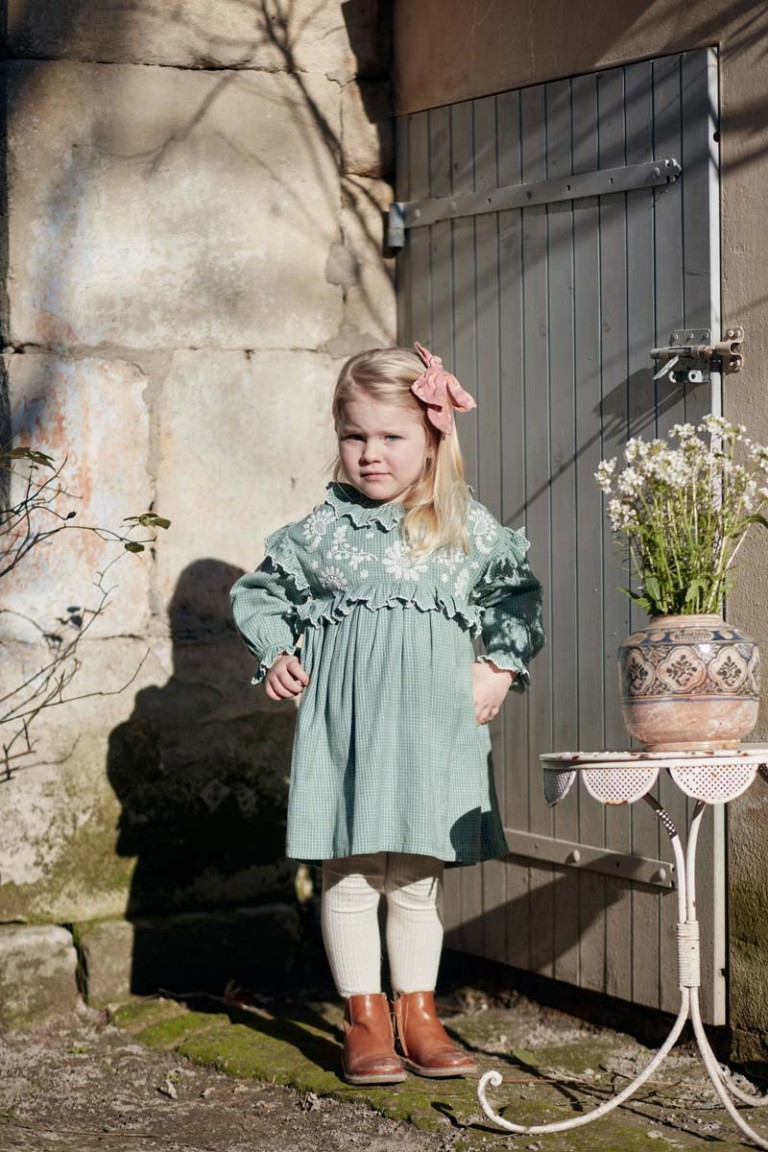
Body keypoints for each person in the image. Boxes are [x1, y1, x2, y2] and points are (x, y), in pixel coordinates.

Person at [231, 344, 544, 1085]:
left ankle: (418, 1014)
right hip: (346, 728)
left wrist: (498, 665)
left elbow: (516, 596)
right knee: (347, 871)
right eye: (355, 435)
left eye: (391, 436)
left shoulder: (464, 526)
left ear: (433, 438)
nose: (370, 454)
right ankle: (364, 1019)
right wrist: (277, 652)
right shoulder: (323, 531)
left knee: (413, 874)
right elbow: (260, 593)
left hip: (432, 726)